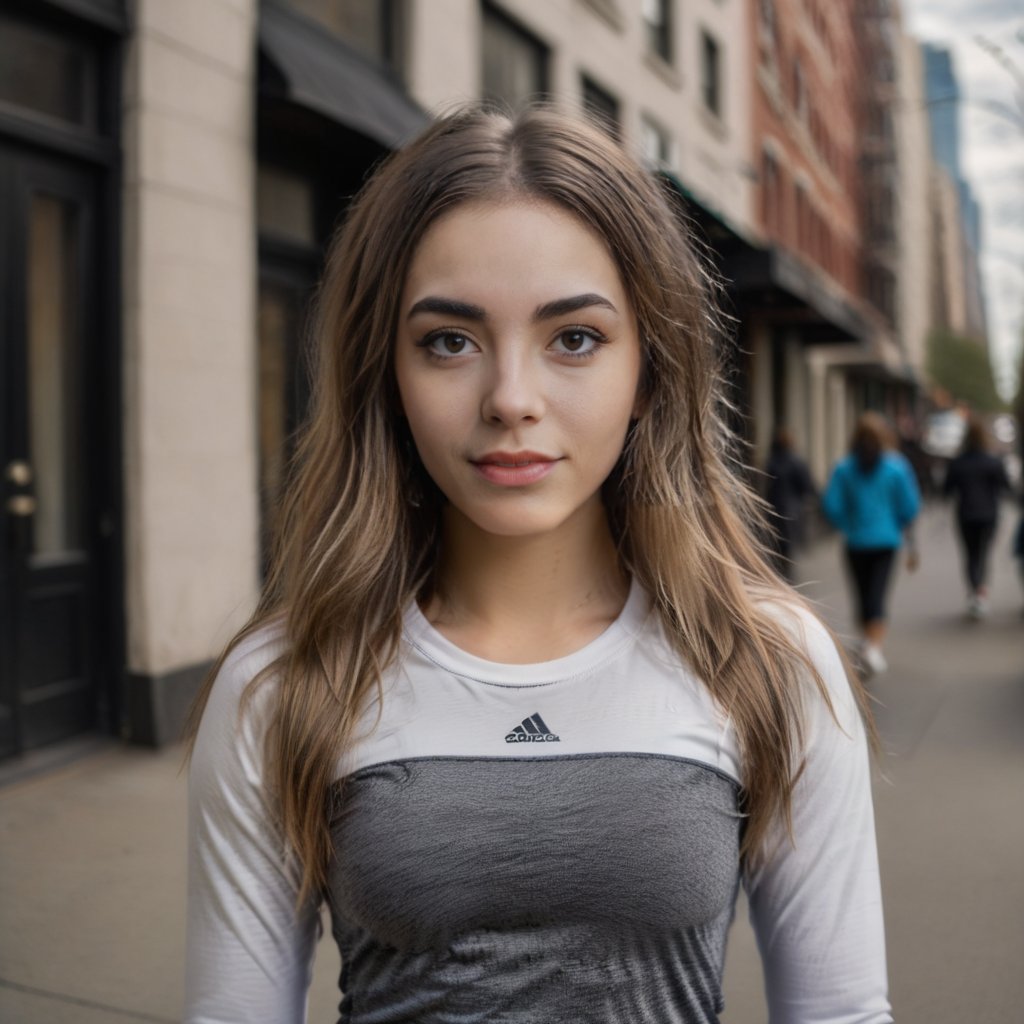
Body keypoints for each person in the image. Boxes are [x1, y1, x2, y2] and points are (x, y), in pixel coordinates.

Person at [184, 106, 892, 1024]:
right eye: (449, 340)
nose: (510, 399)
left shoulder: (770, 660)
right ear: (385, 375)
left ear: (650, 371)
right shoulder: (283, 683)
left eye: (575, 338)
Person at [822, 412, 920, 675]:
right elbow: (910, 506)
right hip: (886, 541)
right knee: (877, 593)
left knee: (863, 594)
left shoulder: (844, 467)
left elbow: (831, 505)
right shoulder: (896, 467)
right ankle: (873, 647)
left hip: (855, 542)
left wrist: (848, 524)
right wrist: (896, 523)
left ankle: (868, 643)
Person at [942, 415, 1010, 619]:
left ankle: (975, 591)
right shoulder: (993, 462)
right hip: (989, 514)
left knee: (971, 554)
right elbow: (1006, 486)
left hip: (966, 514)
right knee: (983, 552)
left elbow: (946, 489)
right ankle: (980, 592)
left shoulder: (958, 462)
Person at [762, 425, 817, 581]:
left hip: (775, 507)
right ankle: (785, 572)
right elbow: (807, 486)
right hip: (792, 509)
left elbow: (768, 485)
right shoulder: (796, 462)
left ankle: (782, 571)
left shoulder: (772, 462)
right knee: (787, 542)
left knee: (779, 542)